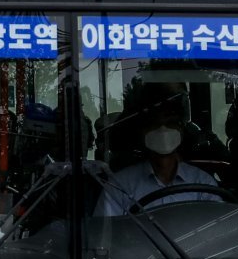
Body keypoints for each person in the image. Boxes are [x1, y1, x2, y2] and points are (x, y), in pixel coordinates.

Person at [94, 88, 219, 217]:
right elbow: (106, 234)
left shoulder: (202, 183)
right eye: (154, 123)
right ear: (143, 131)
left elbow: (218, 232)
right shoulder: (119, 186)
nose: (163, 130)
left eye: (170, 123)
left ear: (181, 129)